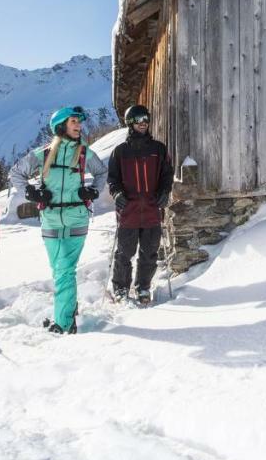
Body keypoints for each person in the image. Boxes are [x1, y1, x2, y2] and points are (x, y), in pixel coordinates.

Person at [9, 105, 107, 334]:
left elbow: (102, 173)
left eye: (79, 122)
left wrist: (93, 191)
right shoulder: (44, 153)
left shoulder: (84, 152)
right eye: (74, 121)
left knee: (65, 269)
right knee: (59, 270)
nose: (79, 126)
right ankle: (69, 309)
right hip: (51, 219)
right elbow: (16, 172)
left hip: (77, 218)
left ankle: (63, 323)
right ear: (61, 125)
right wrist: (31, 193)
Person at [107, 104, 174, 305]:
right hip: (129, 210)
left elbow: (166, 175)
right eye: (138, 119)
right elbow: (113, 179)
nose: (143, 123)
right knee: (125, 252)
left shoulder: (158, 149)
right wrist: (117, 193)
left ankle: (143, 287)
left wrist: (164, 192)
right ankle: (120, 287)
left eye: (146, 118)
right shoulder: (120, 152)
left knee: (149, 253)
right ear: (130, 123)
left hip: (152, 209)